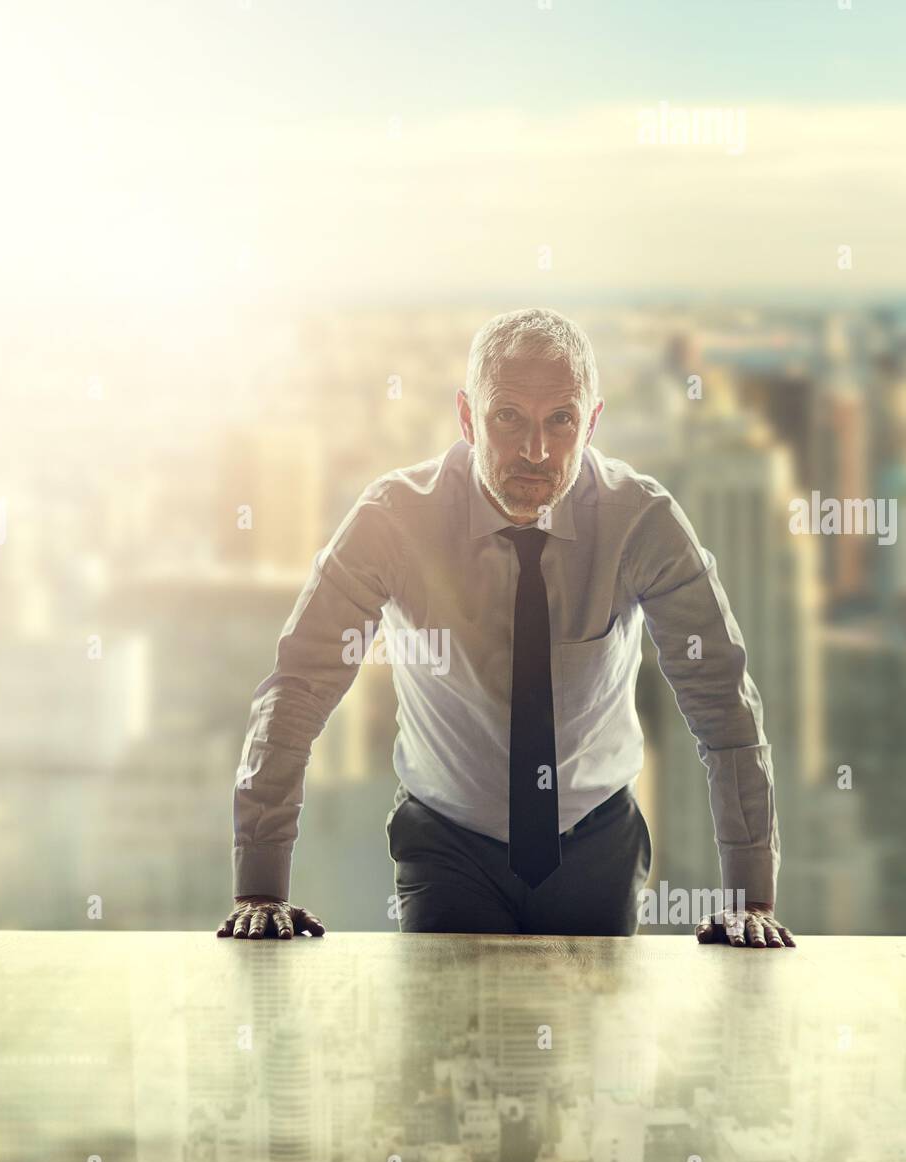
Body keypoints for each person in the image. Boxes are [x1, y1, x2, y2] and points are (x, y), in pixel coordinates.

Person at [218, 308, 793, 947]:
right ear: (467, 418)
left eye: (561, 421)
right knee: (451, 1042)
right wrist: (261, 887)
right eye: (508, 418)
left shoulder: (641, 521)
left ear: (592, 422)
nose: (535, 451)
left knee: (592, 1045)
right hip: (447, 849)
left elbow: (722, 700)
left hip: (598, 847)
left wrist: (750, 898)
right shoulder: (393, 520)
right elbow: (298, 687)